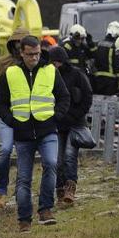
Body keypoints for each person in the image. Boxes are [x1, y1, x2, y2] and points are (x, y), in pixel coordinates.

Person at [0, 35, 70, 232]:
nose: (34, 58)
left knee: (51, 164)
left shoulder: (50, 71)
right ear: (22, 53)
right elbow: (1, 102)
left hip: (47, 130)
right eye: (30, 55)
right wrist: (10, 121)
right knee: (24, 178)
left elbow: (64, 96)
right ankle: (24, 219)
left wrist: (56, 116)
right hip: (23, 133)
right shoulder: (10, 73)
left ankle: (46, 210)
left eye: (37, 54)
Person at [0, 27, 30, 208]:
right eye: (17, 42)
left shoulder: (33, 63)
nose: (19, 46)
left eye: (23, 43)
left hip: (28, 117)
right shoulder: (3, 63)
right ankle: (1, 192)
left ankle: (21, 192)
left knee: (24, 154)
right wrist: (0, 108)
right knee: (5, 151)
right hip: (7, 116)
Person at [48, 46, 93, 206]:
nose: (55, 65)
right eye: (52, 62)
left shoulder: (77, 75)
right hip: (58, 125)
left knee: (69, 157)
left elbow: (87, 97)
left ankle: (70, 190)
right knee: (57, 161)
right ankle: (59, 190)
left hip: (75, 124)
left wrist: (76, 115)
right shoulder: (48, 76)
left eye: (57, 62)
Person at [92, 21, 119, 96]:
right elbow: (118, 66)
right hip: (110, 82)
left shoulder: (98, 44)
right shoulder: (116, 46)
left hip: (97, 80)